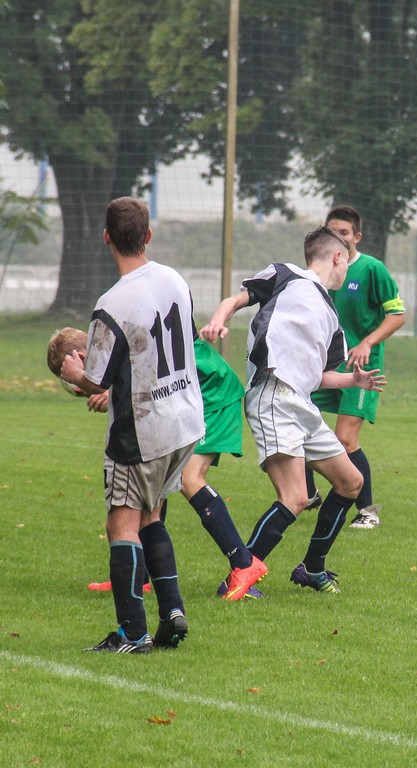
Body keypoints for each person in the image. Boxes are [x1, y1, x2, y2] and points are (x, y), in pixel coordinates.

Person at [60, 197, 266, 655]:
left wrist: (74, 373)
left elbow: (96, 379)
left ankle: (133, 634)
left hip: (143, 429)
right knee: (151, 514)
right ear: (148, 235)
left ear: (106, 237)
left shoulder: (111, 304)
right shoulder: (174, 279)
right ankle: (172, 612)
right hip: (186, 420)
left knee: (122, 523)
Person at [200, 226, 387, 594]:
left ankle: (312, 568)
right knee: (296, 497)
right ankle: (238, 579)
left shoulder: (330, 316)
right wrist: (218, 319)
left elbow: (320, 376)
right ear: (337, 257)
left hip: (301, 402)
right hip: (273, 392)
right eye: (346, 262)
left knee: (351, 483)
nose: (347, 269)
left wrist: (353, 380)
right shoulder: (287, 275)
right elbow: (236, 300)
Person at [48, 328, 265, 600]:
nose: (76, 387)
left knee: (189, 478)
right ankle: (136, 576)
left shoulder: (119, 338)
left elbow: (155, 366)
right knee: (152, 483)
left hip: (211, 392)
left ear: (81, 357)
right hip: (184, 397)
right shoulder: (114, 342)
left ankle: (243, 561)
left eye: (69, 376)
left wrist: (111, 390)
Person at [308, 205, 406, 528]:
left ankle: (368, 512)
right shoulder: (320, 270)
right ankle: (307, 493)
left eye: (345, 232)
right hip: (326, 365)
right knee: (299, 426)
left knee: (345, 439)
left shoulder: (371, 269)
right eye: (333, 231)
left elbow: (397, 315)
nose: (339, 237)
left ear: (357, 236)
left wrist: (367, 343)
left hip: (361, 369)